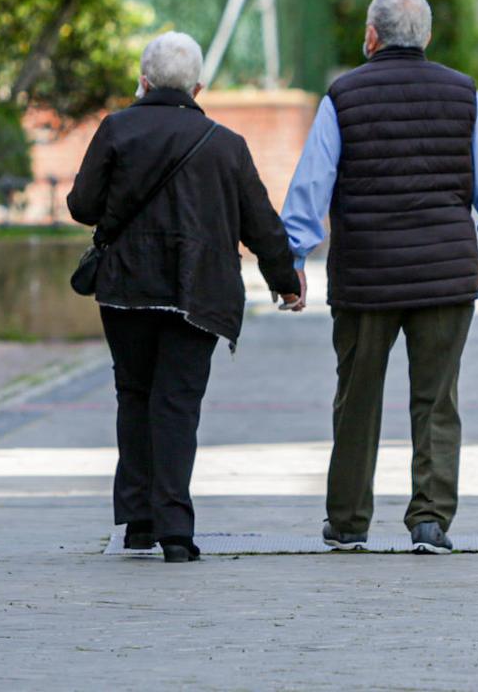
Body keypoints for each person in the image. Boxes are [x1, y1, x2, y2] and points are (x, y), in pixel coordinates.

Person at [281, 0, 478, 555]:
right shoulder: (462, 93)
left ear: (371, 36)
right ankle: (430, 520)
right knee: (437, 400)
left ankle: (347, 522)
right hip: (445, 273)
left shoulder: (343, 96)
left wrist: (293, 258)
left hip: (366, 276)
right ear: (427, 38)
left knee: (357, 398)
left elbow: (312, 185)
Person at [67, 32, 303, 564]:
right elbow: (261, 223)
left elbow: (83, 206)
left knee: (134, 395)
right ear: (199, 87)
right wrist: (284, 278)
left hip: (126, 289)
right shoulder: (226, 144)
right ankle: (176, 529)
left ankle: (137, 522)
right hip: (199, 293)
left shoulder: (116, 130)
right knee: (177, 404)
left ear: (143, 81)